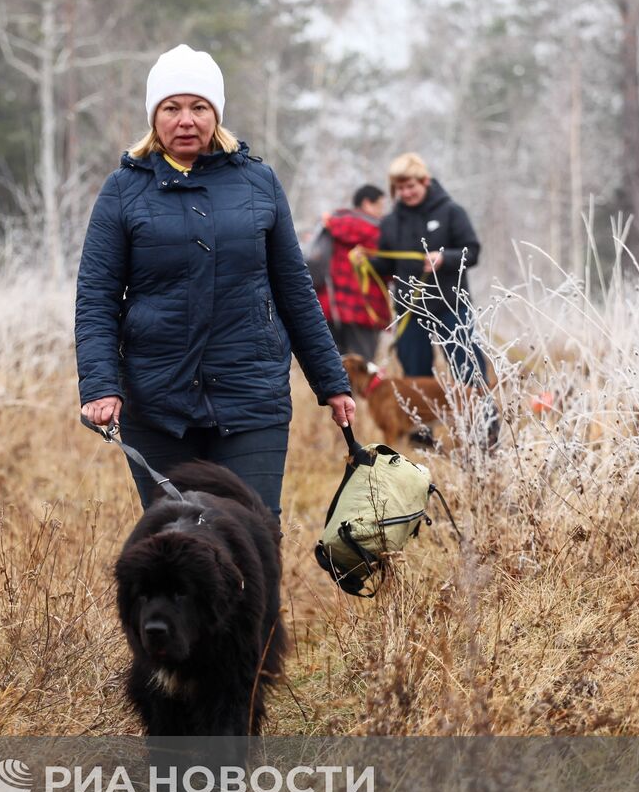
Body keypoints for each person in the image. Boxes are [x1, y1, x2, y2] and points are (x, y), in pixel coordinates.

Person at [75, 44, 354, 516]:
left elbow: (294, 290)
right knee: (177, 546)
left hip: (252, 394)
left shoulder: (258, 183)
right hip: (157, 397)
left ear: (216, 114)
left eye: (198, 107)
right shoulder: (122, 190)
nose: (186, 120)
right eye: (172, 108)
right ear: (154, 117)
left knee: (253, 536)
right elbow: (96, 298)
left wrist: (332, 382)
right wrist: (100, 385)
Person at [365, 152, 487, 386]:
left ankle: (483, 421)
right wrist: (366, 261)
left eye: (410, 186)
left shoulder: (451, 212)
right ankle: (423, 424)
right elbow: (389, 265)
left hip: (451, 305)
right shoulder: (390, 222)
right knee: (415, 379)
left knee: (469, 372)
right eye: (400, 188)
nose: (406, 193)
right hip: (410, 309)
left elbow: (472, 252)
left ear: (425, 182)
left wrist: (444, 258)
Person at [318, 184, 389, 360]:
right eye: (380, 206)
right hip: (364, 310)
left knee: (334, 372)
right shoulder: (375, 232)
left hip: (330, 308)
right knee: (364, 372)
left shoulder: (332, 224)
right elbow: (387, 268)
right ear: (367, 203)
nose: (382, 213)